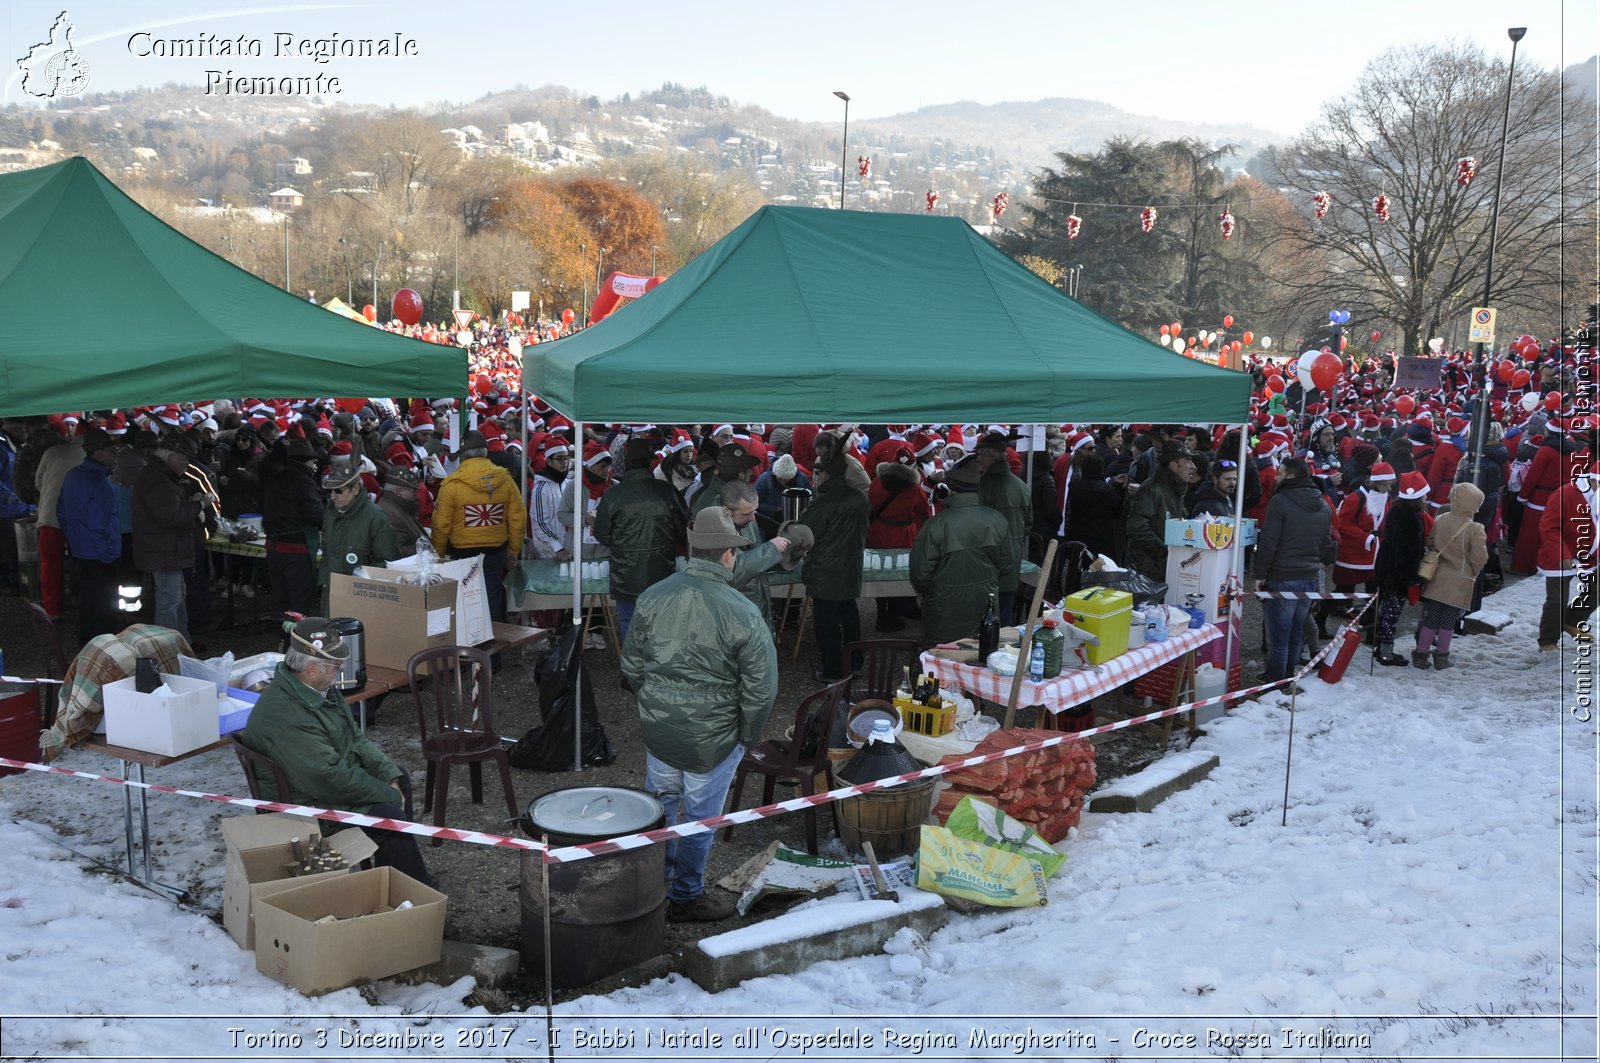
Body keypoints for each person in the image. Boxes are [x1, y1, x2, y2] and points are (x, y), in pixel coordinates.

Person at [620, 506, 778, 923]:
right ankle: (686, 896)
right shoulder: (742, 610)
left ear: (693, 550)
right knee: (699, 820)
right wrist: (746, 735)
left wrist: (655, 704)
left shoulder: (653, 595)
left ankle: (655, 885)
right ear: (729, 554)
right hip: (714, 737)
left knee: (660, 811)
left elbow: (632, 666)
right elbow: (760, 690)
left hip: (661, 729)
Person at [240, 618, 431, 886]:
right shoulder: (289, 716)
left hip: (323, 785)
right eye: (336, 665)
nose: (341, 670)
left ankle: (399, 875)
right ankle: (408, 890)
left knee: (399, 778)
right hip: (306, 807)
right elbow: (328, 779)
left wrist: (387, 774)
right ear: (313, 668)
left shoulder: (316, 689)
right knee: (391, 817)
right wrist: (388, 793)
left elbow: (354, 737)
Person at [909, 455, 1014, 645]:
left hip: (944, 610)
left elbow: (920, 574)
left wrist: (933, 593)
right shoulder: (997, 520)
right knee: (982, 658)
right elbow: (1008, 565)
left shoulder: (936, 525)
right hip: (985, 606)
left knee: (941, 663)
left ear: (951, 489)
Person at [1253, 457, 1337, 687]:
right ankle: (1287, 678)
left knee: (1279, 636)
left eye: (1279, 473)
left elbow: (1269, 542)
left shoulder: (1280, 501)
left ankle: (1276, 682)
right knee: (1295, 633)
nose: (1276, 477)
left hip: (1283, 577)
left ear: (1290, 476)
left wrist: (1259, 574)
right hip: (1309, 578)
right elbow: (1326, 544)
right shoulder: (1323, 504)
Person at [594, 437, 688, 641]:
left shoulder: (613, 494)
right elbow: (684, 531)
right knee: (661, 625)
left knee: (630, 624)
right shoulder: (668, 492)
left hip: (626, 575)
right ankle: (659, 669)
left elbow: (602, 534)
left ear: (627, 464)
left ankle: (632, 670)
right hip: (662, 573)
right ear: (650, 463)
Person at [431, 430, 526, 623]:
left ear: (463, 455)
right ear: (485, 453)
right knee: (492, 600)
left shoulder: (451, 485)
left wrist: (438, 556)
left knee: (465, 601)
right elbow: (518, 517)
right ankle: (493, 649)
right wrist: (513, 550)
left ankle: (469, 648)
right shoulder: (505, 480)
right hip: (495, 551)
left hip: (462, 554)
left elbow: (441, 526)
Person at [801, 447, 871, 682]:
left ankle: (832, 671)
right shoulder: (860, 497)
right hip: (850, 569)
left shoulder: (824, 503)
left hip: (826, 574)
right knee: (850, 618)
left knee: (827, 626)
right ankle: (855, 664)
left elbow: (806, 535)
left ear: (825, 475)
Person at [132, 436, 203, 642]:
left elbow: (168, 509)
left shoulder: (159, 475)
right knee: (169, 600)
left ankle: (182, 643)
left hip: (166, 550)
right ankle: (167, 648)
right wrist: (199, 506)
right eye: (184, 460)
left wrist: (189, 503)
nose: (187, 465)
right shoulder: (158, 480)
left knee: (176, 596)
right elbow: (170, 517)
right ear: (171, 458)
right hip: (164, 551)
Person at [1414, 481, 1488, 669]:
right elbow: (1479, 557)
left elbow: (1431, 543)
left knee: (1431, 618)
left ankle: (1420, 654)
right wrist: (1473, 571)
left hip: (1437, 577)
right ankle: (1441, 657)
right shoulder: (1475, 529)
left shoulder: (1441, 518)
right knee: (1448, 622)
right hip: (1459, 581)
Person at [58, 428, 121, 644]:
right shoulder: (100, 483)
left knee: (87, 605)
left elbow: (61, 511)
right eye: (112, 450)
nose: (116, 455)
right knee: (104, 609)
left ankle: (85, 647)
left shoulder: (72, 475)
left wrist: (73, 537)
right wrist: (109, 554)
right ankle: (103, 653)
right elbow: (100, 524)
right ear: (99, 453)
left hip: (79, 551)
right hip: (99, 556)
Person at [319, 459, 401, 615]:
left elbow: (388, 562)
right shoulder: (330, 512)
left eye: (338, 491)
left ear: (355, 489)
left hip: (361, 598)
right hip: (330, 594)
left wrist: (361, 578)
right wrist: (325, 582)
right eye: (329, 491)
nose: (333, 497)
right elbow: (326, 550)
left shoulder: (376, 518)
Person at [1535, 469, 1599, 651]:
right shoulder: (1565, 494)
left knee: (1597, 589)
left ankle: (1572, 621)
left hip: (1590, 556)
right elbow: (1549, 527)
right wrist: (1562, 554)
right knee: (1556, 600)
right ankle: (1548, 640)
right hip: (1560, 555)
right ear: (1594, 481)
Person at [1373, 472, 1431, 667]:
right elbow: (1407, 554)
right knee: (1392, 613)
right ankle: (1386, 653)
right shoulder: (1411, 519)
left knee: (1385, 611)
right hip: (1397, 574)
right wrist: (1412, 579)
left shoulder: (1397, 510)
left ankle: (1379, 647)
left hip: (1387, 566)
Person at [261, 438, 324, 616]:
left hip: (273, 548)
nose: (315, 466)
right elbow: (316, 516)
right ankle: (295, 641)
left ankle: (282, 638)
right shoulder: (304, 483)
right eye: (313, 461)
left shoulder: (274, 479)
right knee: (298, 601)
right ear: (305, 461)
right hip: (296, 551)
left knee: (280, 598)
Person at [975, 431, 1031, 622]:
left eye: (979, 456)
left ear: (988, 457)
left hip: (988, 560)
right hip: (1012, 556)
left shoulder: (984, 486)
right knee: (1004, 611)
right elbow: (1029, 523)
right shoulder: (1020, 485)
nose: (977, 461)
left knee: (988, 616)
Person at [1124, 442, 1196, 582]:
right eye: (1188, 460)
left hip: (1164, 567)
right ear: (1174, 464)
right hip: (1147, 571)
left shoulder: (1176, 489)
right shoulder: (1151, 489)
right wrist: (1165, 551)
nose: (1193, 466)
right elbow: (1137, 528)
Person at [377, 466, 426, 548]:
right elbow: (395, 551)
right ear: (399, 491)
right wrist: (423, 548)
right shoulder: (391, 515)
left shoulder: (399, 507)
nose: (416, 496)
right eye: (413, 491)